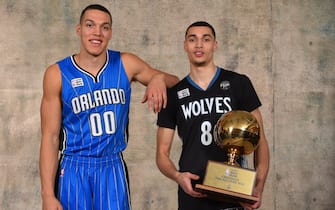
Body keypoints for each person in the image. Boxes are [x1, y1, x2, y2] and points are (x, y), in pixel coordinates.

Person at [39, 4, 179, 210]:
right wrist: (47, 195)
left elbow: (175, 81)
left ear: (110, 32)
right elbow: (50, 138)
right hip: (73, 166)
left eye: (104, 27)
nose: (97, 32)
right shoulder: (57, 73)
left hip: (111, 165)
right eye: (90, 25)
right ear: (79, 30)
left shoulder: (126, 63)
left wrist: (157, 78)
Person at [156, 21, 270, 210]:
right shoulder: (174, 94)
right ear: (185, 45)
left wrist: (258, 185)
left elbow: (260, 140)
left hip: (234, 190)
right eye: (193, 39)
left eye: (206, 39)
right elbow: (161, 153)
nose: (199, 45)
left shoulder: (238, 83)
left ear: (215, 45)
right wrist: (177, 176)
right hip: (192, 190)